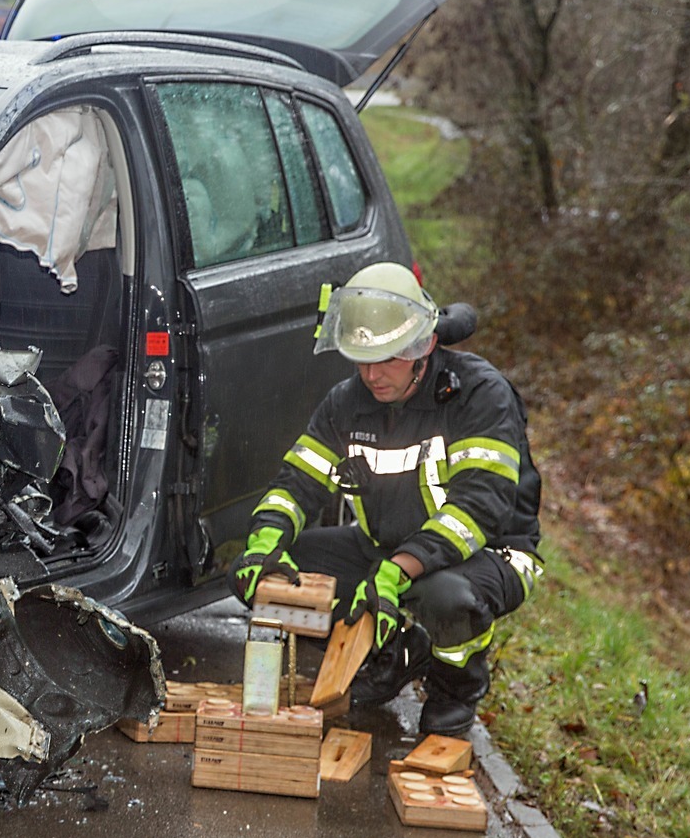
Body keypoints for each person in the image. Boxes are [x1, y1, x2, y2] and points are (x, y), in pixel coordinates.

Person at [228, 263, 543, 736]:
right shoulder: (345, 402)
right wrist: (264, 544)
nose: (372, 375)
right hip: (384, 548)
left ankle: (454, 691)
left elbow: (477, 510)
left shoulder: (479, 395)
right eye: (361, 359)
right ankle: (394, 655)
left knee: (447, 598)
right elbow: (298, 481)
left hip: (487, 553)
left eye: (387, 359)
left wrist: (398, 570)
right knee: (268, 577)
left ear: (424, 346)